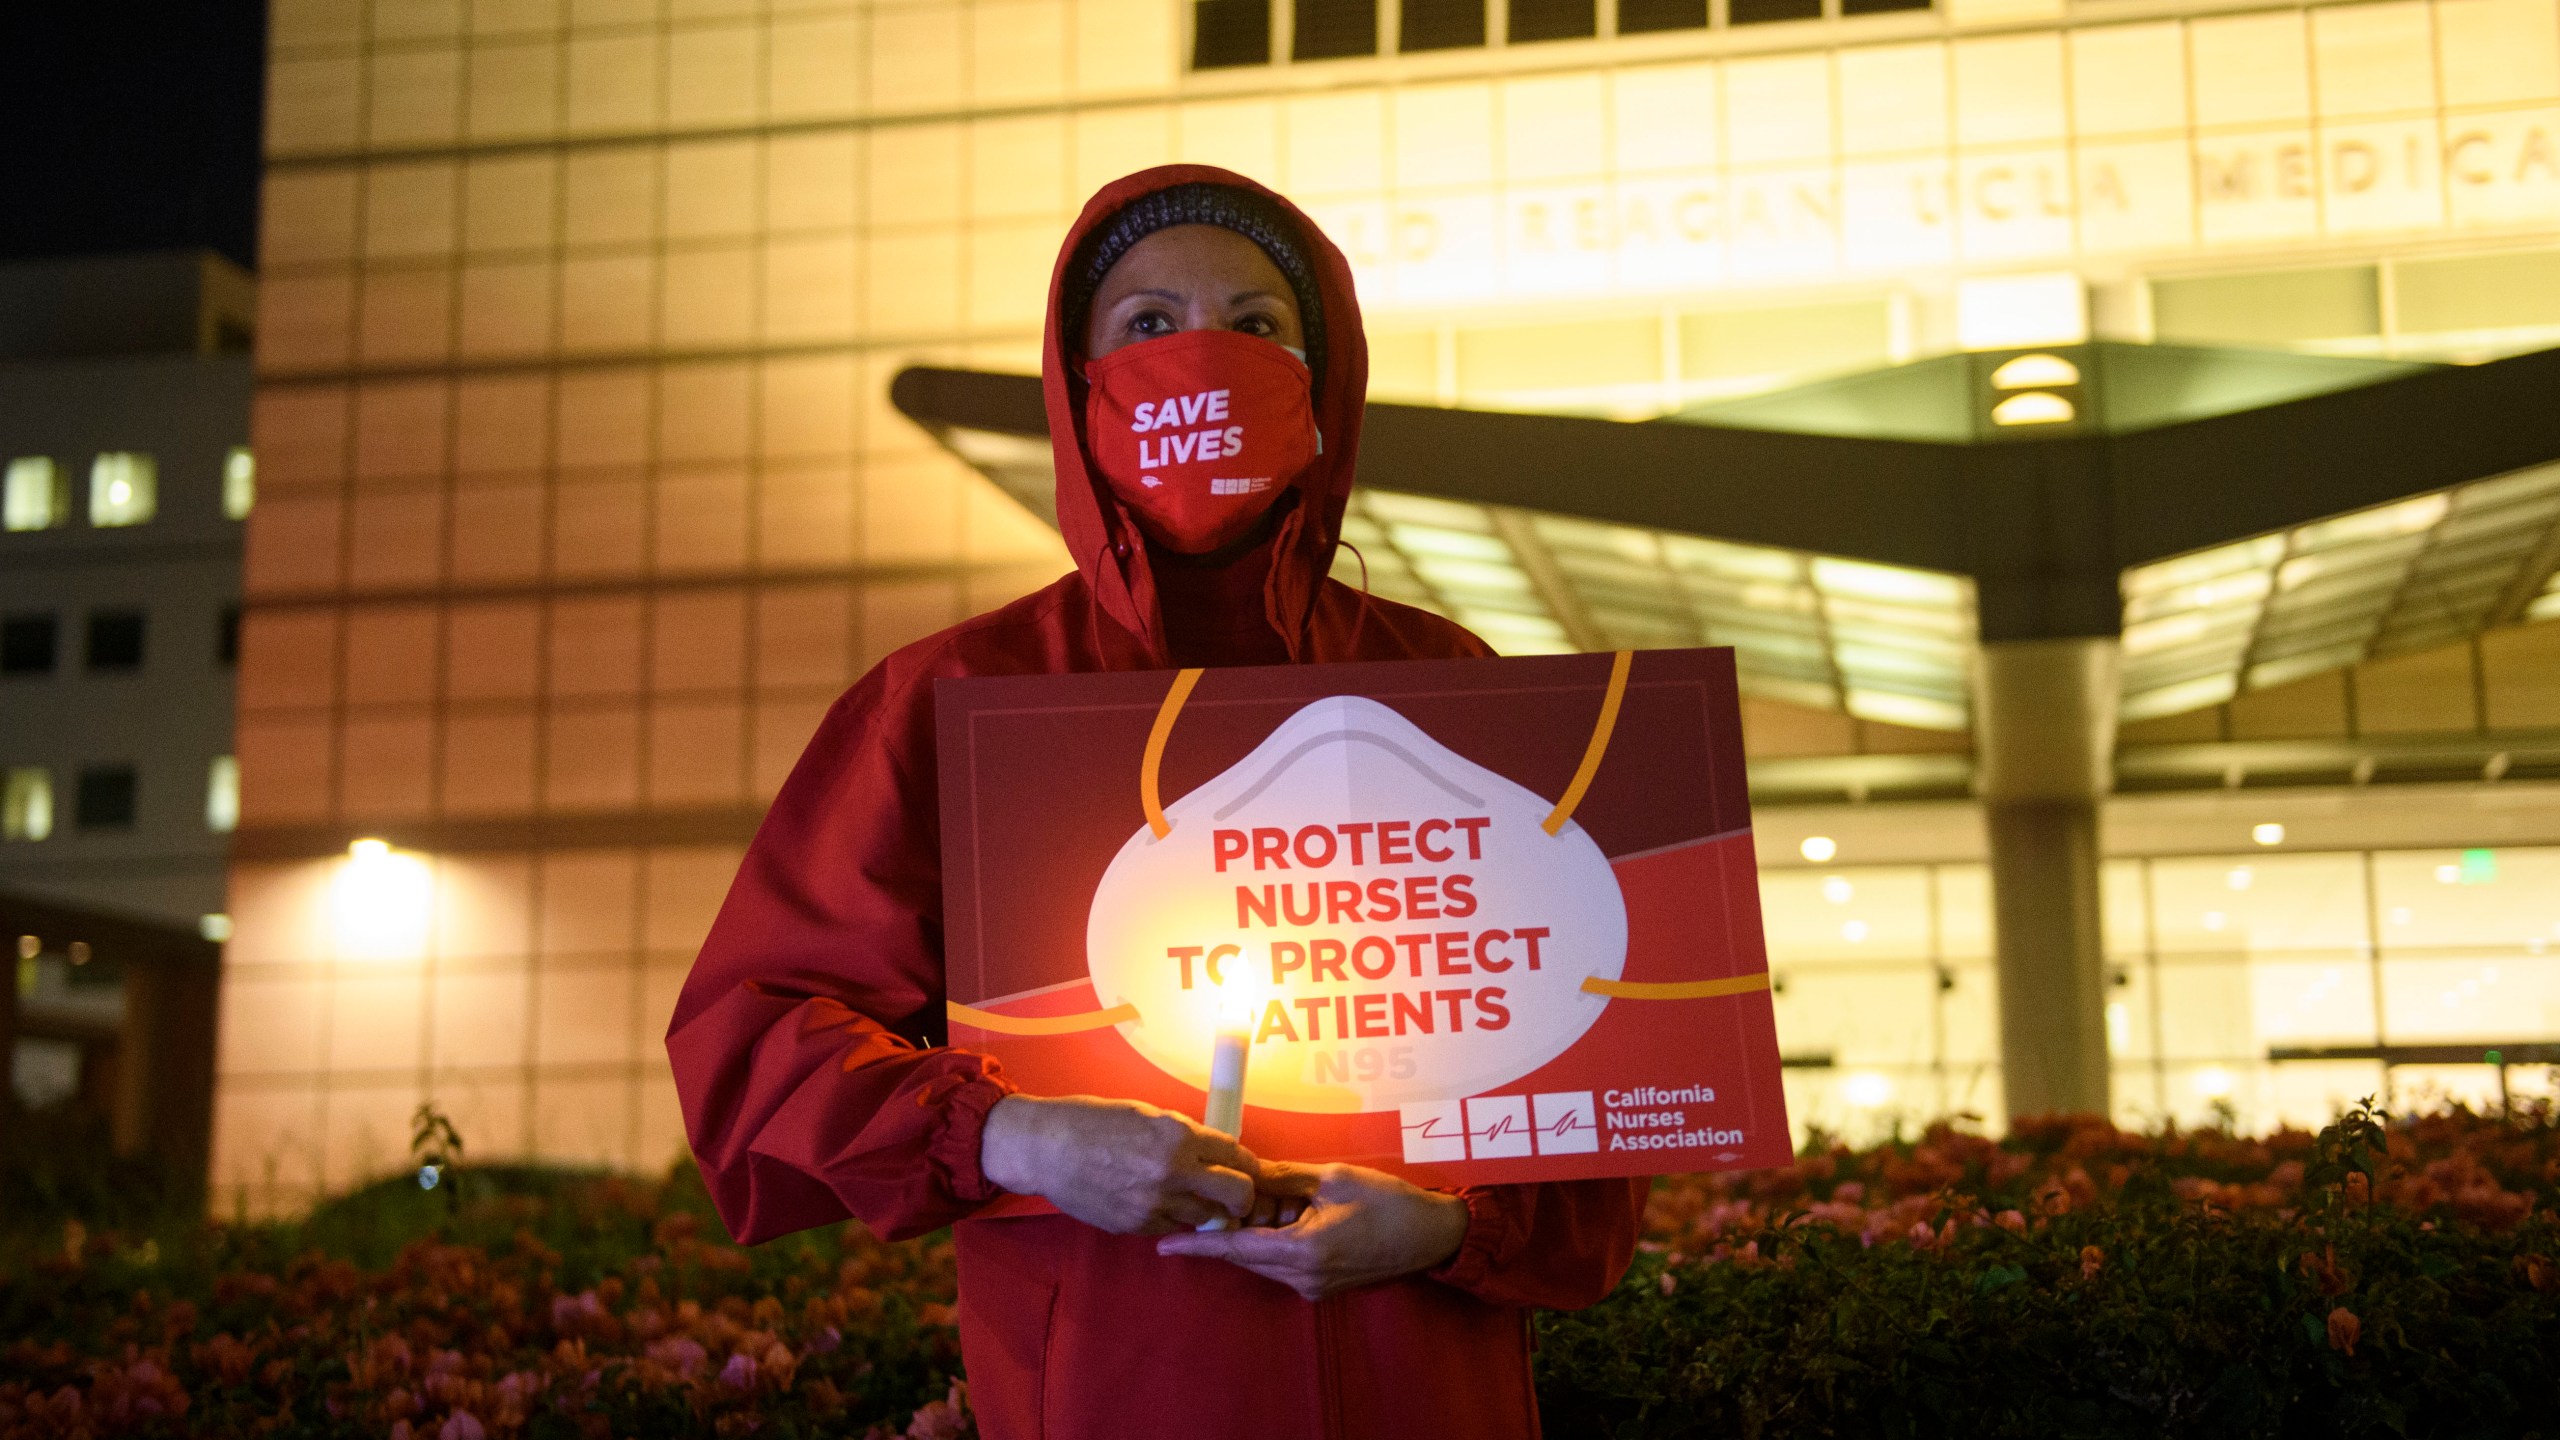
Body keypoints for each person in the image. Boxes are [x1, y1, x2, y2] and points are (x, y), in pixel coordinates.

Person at [667, 165, 1648, 1440]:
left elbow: (1601, 1107)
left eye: (1255, 325)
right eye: (1147, 324)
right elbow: (753, 1041)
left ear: (1323, 378)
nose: (1203, 357)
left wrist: (1458, 1227)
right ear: (1080, 386)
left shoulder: (1447, 686)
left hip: (1431, 1388)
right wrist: (1012, 1139)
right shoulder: (955, 695)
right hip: (1116, 1392)